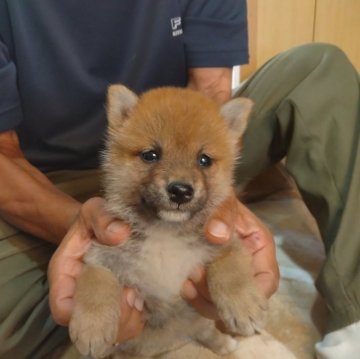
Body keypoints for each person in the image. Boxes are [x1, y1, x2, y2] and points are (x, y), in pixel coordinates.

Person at [0, 1, 358, 358]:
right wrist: (81, 227)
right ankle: (132, 321)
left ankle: (355, 312)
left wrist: (218, 194)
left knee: (319, 68)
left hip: (188, 146)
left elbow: (211, 93)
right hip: (43, 176)